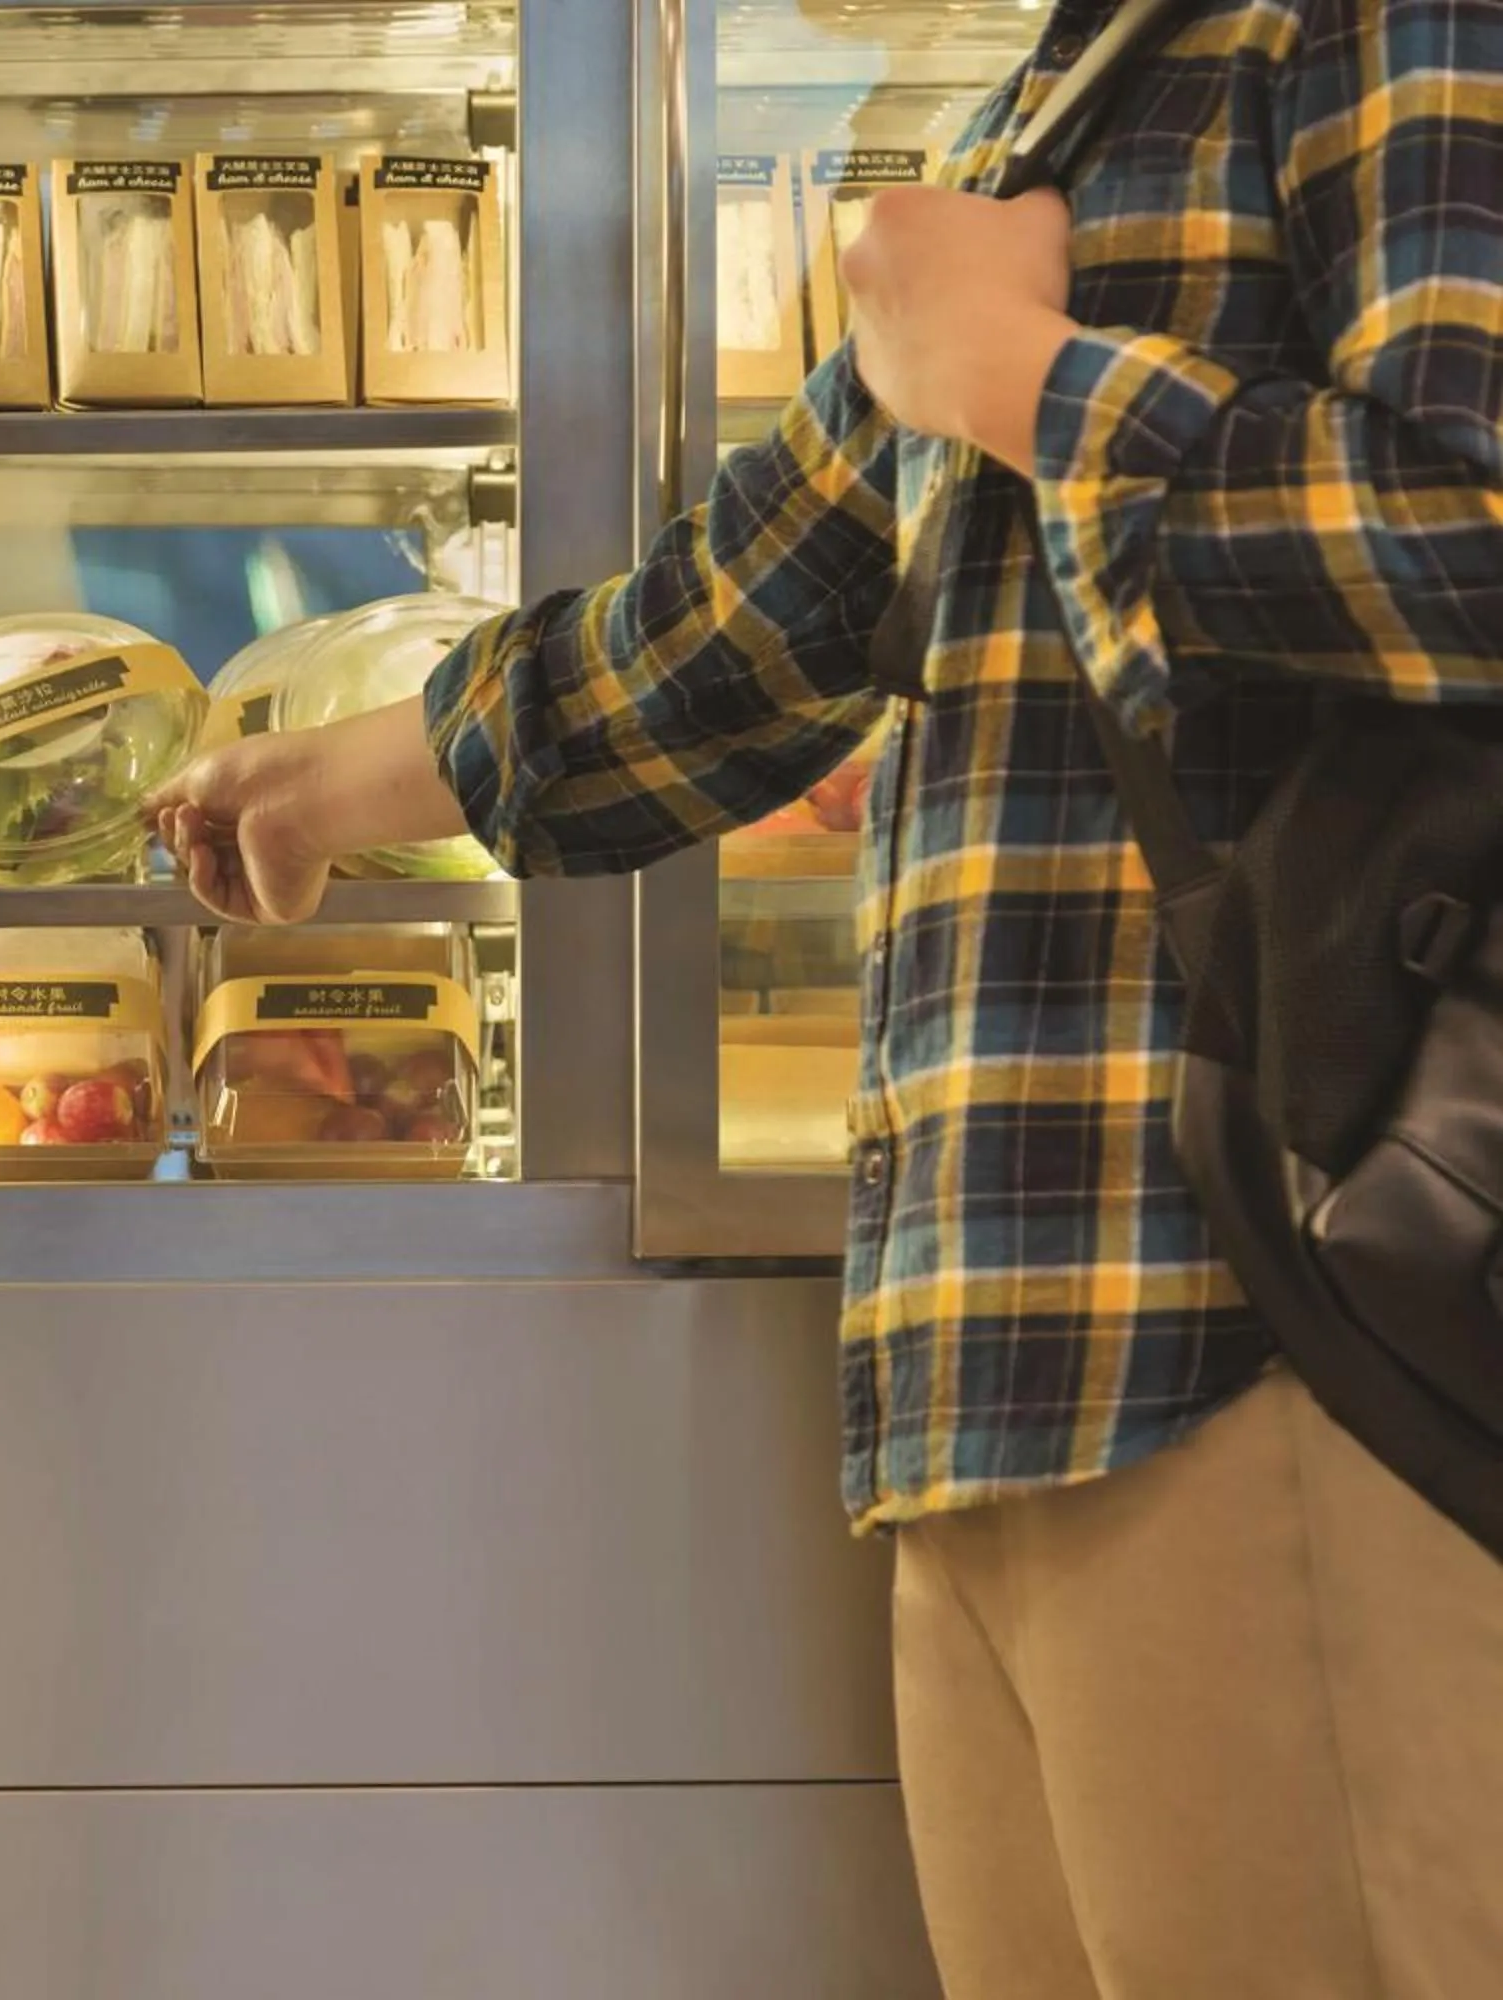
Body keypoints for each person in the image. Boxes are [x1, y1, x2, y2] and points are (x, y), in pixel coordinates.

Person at [148, 2, 1503, 1994]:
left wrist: (1044, 386)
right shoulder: (1071, 85)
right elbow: (750, 616)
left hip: (1270, 1320)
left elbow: (1470, 539)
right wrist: (336, 781)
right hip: (993, 1355)